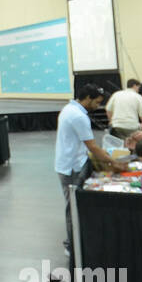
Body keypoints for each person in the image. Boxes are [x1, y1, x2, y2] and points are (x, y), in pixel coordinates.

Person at [55, 84, 121, 247]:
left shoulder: (69, 109)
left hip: (70, 163)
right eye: (96, 102)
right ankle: (72, 244)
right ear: (87, 98)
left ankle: (75, 239)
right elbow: (92, 146)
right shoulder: (78, 116)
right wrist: (114, 163)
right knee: (73, 206)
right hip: (72, 167)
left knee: (74, 204)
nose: (97, 106)